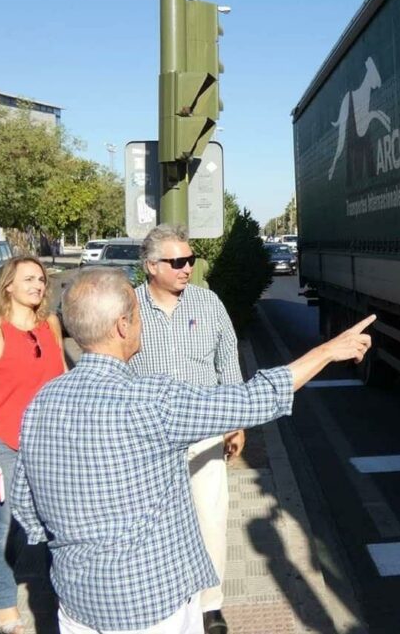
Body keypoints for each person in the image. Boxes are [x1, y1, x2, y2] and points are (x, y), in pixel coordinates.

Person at [11, 268, 374, 634]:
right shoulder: (150, 401)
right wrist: (327, 351)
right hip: (154, 606)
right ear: (122, 325)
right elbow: (253, 398)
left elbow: (27, 508)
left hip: (77, 607)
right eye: (137, 315)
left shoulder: (42, 402)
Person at [129, 224, 241, 634]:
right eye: (177, 262)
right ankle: (164, 598)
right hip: (151, 439)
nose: (186, 268)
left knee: (210, 517)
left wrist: (235, 423)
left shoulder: (208, 303)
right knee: (153, 522)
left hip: (206, 431)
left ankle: (210, 604)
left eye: (190, 260)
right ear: (150, 267)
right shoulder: (130, 308)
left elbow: (227, 361)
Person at [0, 256, 67, 634]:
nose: (38, 285)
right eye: (28, 279)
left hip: (47, 442)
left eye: (41, 279)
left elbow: (61, 378)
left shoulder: (51, 325)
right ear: (7, 285)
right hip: (4, 441)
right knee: (4, 524)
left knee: (52, 521)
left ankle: (54, 595)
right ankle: (6, 608)